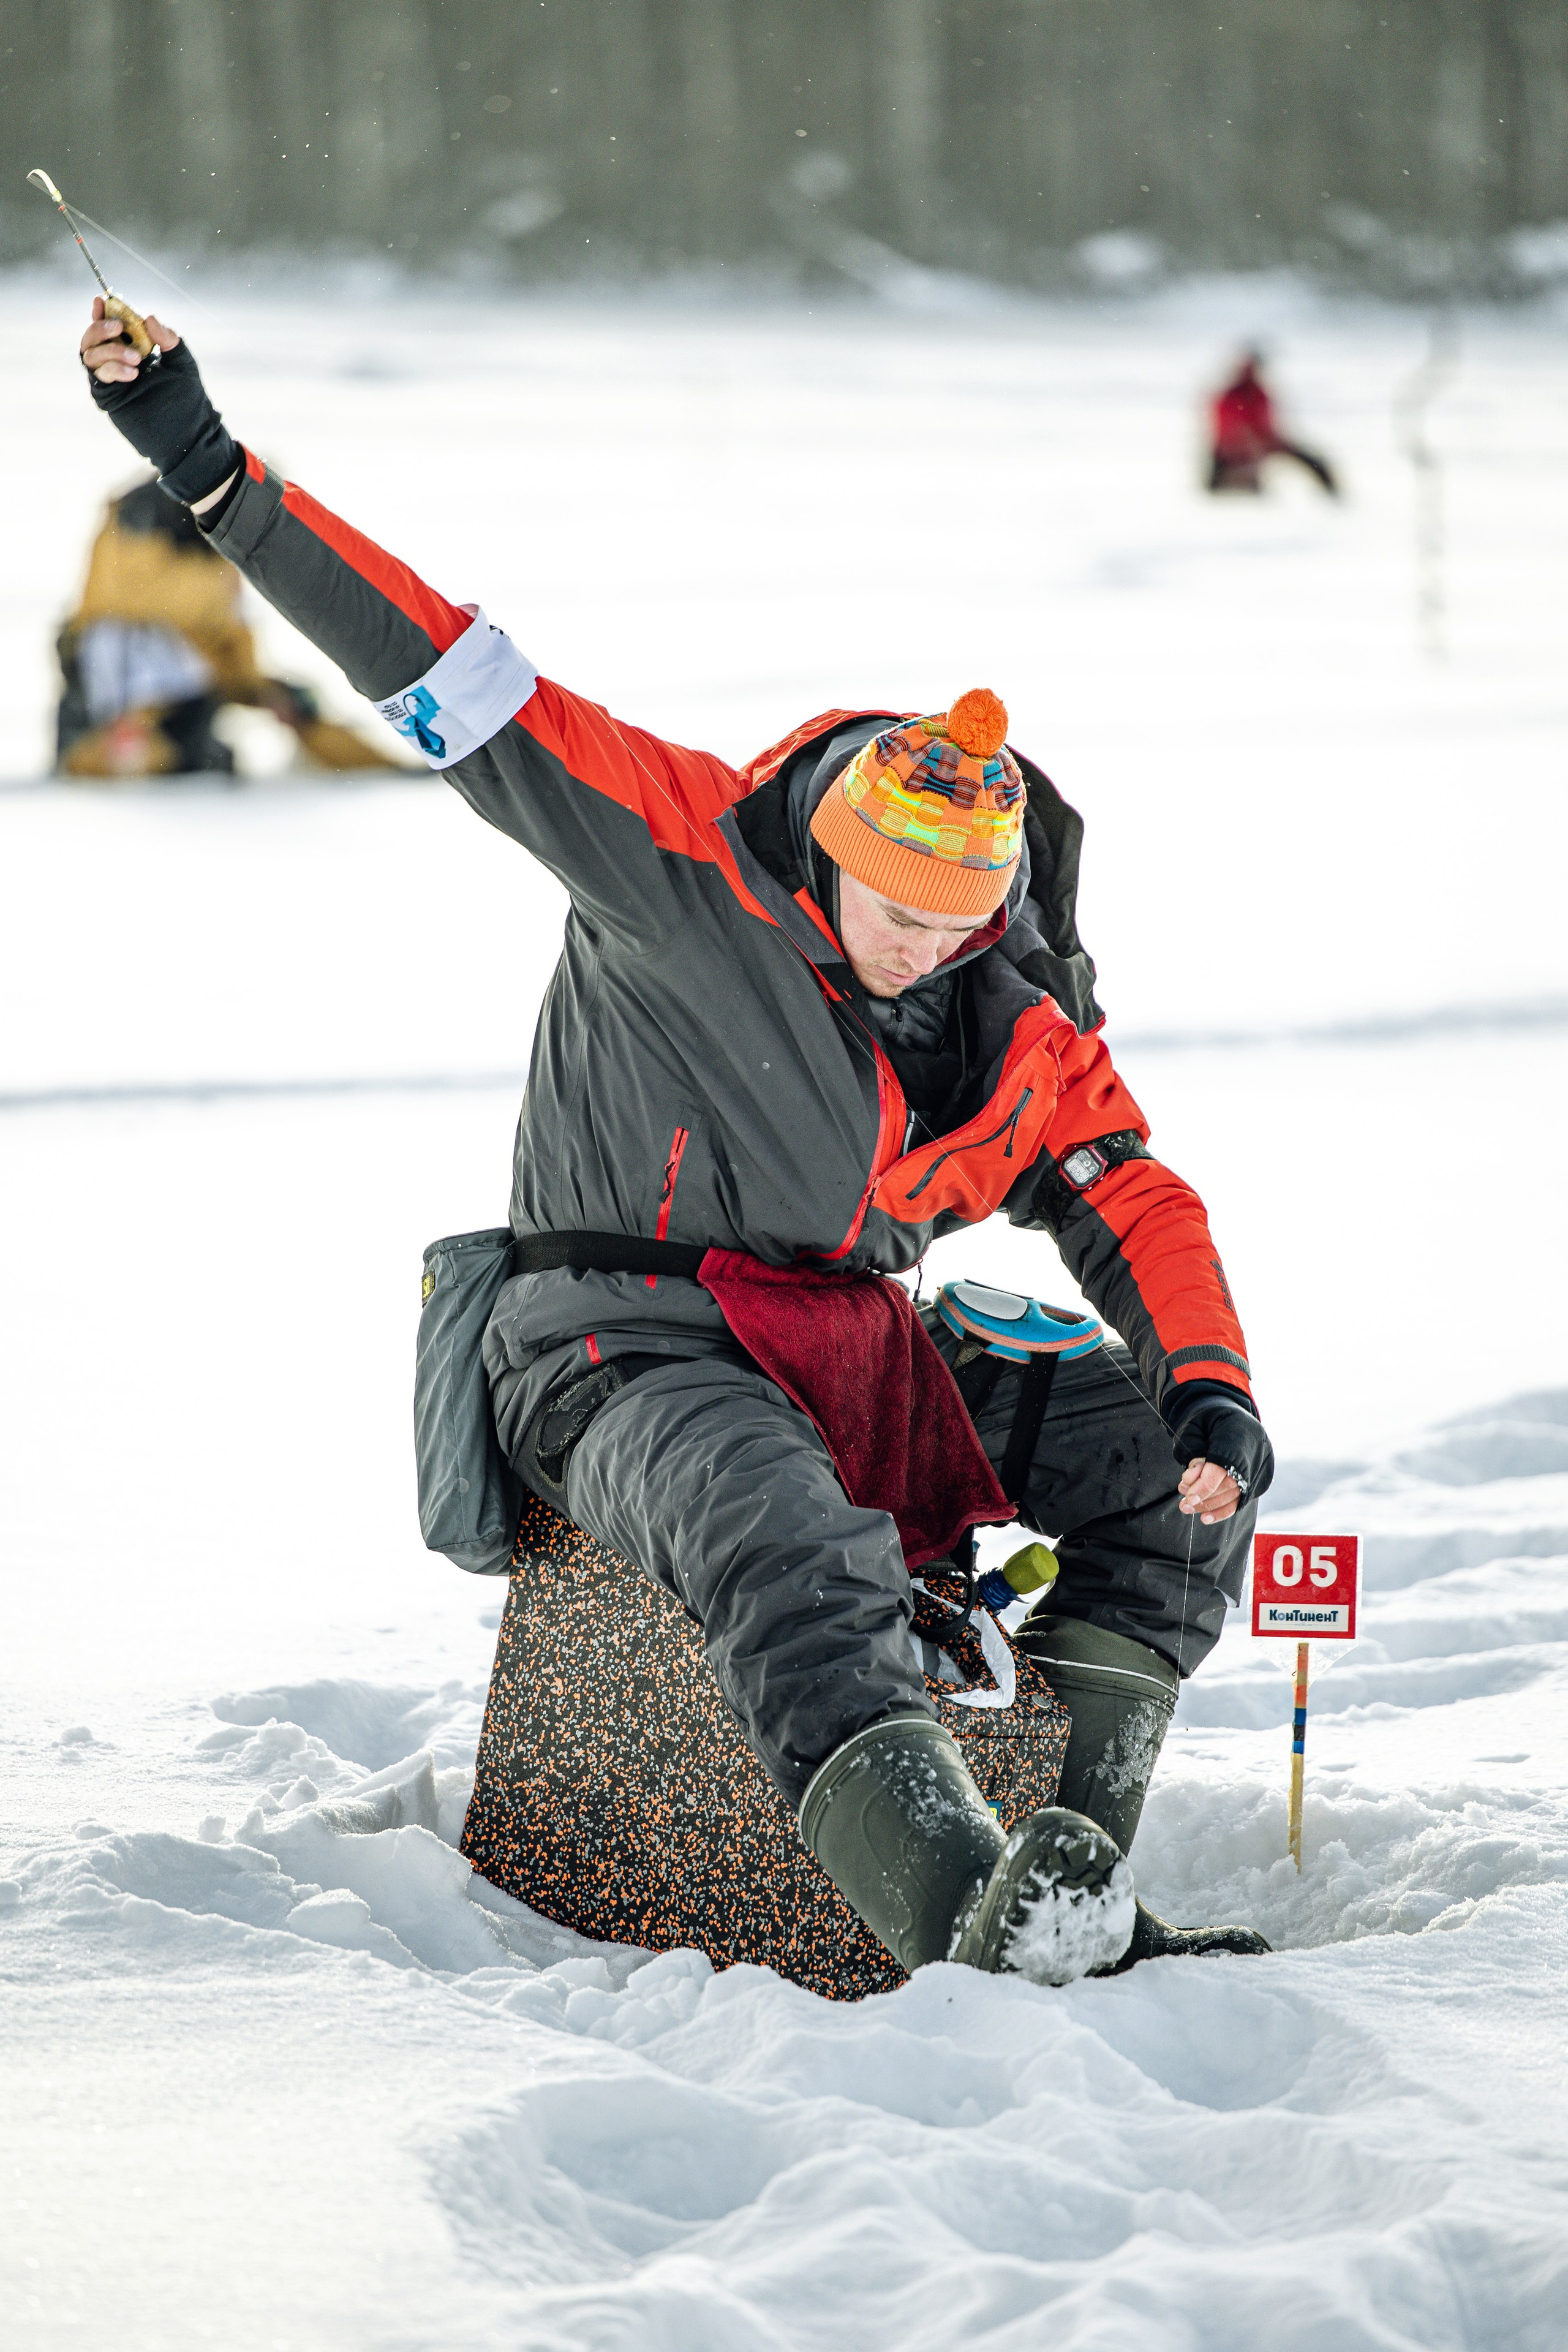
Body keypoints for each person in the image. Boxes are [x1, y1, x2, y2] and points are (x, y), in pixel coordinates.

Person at [80, 296, 1277, 1987]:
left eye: (969, 917)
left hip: (849, 1347)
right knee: (786, 1531)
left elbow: (1124, 1189)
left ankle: (1064, 1870)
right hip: (614, 1348)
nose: (933, 946)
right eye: (903, 909)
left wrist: (1208, 1379)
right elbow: (436, 662)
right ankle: (950, 1923)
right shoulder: (676, 856)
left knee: (1168, 1463)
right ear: (833, 851)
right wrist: (204, 461)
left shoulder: (999, 1001)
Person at [56, 469, 408, 778]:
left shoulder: (220, 560)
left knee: (291, 704)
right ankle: (145, 753)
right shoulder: (138, 530)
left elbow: (224, 638)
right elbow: (120, 622)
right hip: (121, 689)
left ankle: (375, 768)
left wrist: (260, 691)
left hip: (186, 689)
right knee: (137, 671)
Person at [1206, 349, 1338, 497]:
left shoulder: (1259, 393)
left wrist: (1272, 442)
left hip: (1265, 442)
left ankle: (1331, 493)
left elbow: (1269, 425)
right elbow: (1227, 429)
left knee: (1314, 462)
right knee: (1236, 475)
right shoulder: (1232, 395)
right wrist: (1246, 445)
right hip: (1236, 448)